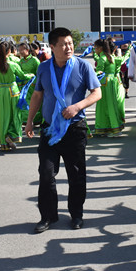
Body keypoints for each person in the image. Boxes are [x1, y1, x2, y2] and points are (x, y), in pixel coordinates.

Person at [25, 27, 102, 233]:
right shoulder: (43, 68)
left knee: (76, 175)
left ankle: (76, 214)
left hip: (75, 128)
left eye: (70, 43)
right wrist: (30, 120)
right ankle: (48, 216)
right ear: (52, 47)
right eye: (63, 44)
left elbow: (97, 93)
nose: (68, 47)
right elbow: (37, 96)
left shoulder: (83, 66)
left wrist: (78, 106)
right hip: (50, 130)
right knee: (46, 173)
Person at [0, 41, 33, 150]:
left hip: (1, 92)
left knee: (2, 117)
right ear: (9, 51)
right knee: (15, 116)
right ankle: (11, 135)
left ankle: (3, 141)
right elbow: (23, 76)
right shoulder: (13, 65)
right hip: (13, 91)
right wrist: (30, 75)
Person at [93, 38, 126, 137]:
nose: (95, 50)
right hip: (110, 83)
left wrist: (91, 75)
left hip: (104, 84)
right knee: (111, 106)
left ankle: (111, 129)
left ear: (100, 48)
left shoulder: (102, 58)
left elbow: (99, 71)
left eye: (95, 48)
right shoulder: (110, 56)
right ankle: (111, 128)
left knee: (104, 107)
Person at [18, 42, 42, 125]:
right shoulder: (20, 61)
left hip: (33, 85)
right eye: (19, 50)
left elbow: (39, 73)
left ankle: (36, 119)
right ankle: (25, 120)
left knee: (33, 102)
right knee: (24, 102)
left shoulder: (35, 60)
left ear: (27, 50)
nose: (20, 52)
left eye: (22, 50)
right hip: (23, 86)